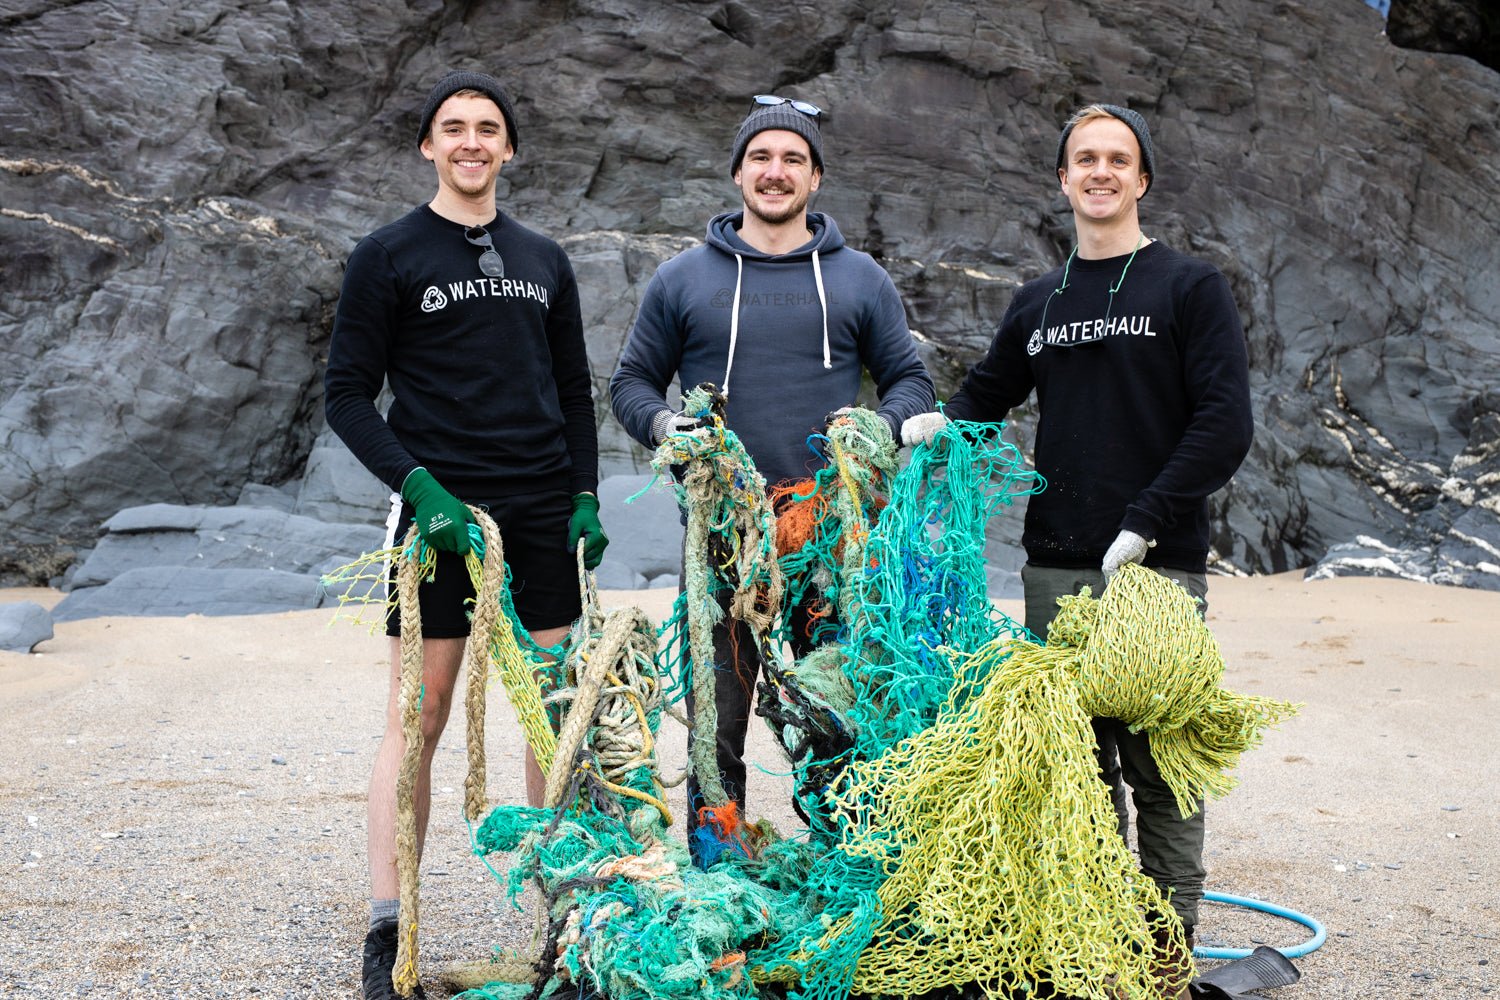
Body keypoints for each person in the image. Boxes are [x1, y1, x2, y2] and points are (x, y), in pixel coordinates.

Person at [901, 103, 1253, 997]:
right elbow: (988, 395)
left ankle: (1166, 949)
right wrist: (926, 427)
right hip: (1055, 563)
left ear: (1141, 181)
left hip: (1156, 567)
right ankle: (1096, 926)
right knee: (1075, 763)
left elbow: (1223, 425)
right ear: (1063, 181)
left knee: (1162, 757)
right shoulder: (1039, 301)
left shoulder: (1187, 287)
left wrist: (1147, 517)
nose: (1099, 172)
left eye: (1117, 160)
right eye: (1083, 159)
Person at [323, 70, 608, 1000]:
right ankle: (386, 928)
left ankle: (563, 921)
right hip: (441, 511)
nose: (472, 142)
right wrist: (419, 488)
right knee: (422, 716)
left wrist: (585, 496)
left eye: (489, 128)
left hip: (535, 512)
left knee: (552, 719)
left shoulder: (544, 257)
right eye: (454, 129)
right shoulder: (388, 254)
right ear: (428, 147)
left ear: (510, 148)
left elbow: (572, 389)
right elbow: (346, 397)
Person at [609, 95, 935, 862]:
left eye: (793, 158)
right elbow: (631, 384)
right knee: (717, 721)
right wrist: (669, 429)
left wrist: (878, 433)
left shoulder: (859, 280)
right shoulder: (682, 279)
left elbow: (909, 383)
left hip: (831, 541)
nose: (775, 171)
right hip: (723, 540)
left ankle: (842, 869)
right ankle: (719, 872)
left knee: (831, 711)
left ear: (815, 177)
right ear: (737, 173)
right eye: (761, 157)